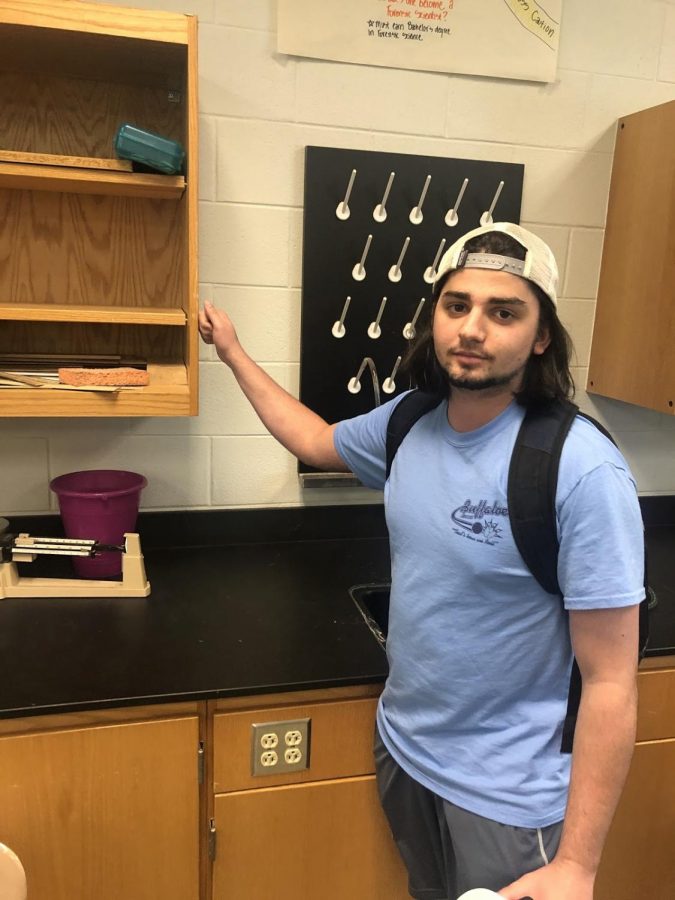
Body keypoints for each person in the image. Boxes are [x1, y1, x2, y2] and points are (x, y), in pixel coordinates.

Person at [199, 222, 644, 900]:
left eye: (503, 312)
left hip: (506, 795)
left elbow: (610, 682)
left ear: (541, 335)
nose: (472, 328)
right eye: (456, 305)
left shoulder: (578, 470)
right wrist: (232, 354)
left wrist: (578, 866)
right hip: (405, 753)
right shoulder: (413, 419)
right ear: (433, 315)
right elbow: (317, 441)